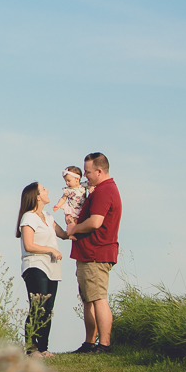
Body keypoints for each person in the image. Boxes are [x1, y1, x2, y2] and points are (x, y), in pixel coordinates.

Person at [69, 152, 122, 354]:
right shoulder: (102, 190)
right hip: (90, 252)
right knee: (89, 298)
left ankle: (104, 344)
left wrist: (74, 229)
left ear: (100, 171)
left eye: (89, 172)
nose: (85, 176)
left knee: (98, 298)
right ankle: (90, 343)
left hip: (95, 252)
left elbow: (96, 222)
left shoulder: (103, 191)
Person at [16, 181, 69, 358]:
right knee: (37, 307)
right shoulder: (28, 217)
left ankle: (43, 348)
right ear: (37, 196)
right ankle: (31, 349)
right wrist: (51, 249)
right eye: (44, 189)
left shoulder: (49, 217)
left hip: (52, 267)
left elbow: (64, 234)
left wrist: (73, 217)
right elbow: (29, 245)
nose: (47, 190)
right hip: (35, 265)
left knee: (48, 308)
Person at [52, 166, 88, 234]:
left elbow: (90, 184)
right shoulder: (68, 190)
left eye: (68, 181)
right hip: (72, 208)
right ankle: (70, 233)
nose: (67, 183)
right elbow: (63, 198)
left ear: (77, 179)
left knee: (80, 221)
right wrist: (58, 205)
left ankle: (77, 232)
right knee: (70, 220)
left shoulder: (83, 186)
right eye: (66, 181)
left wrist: (91, 187)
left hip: (81, 208)